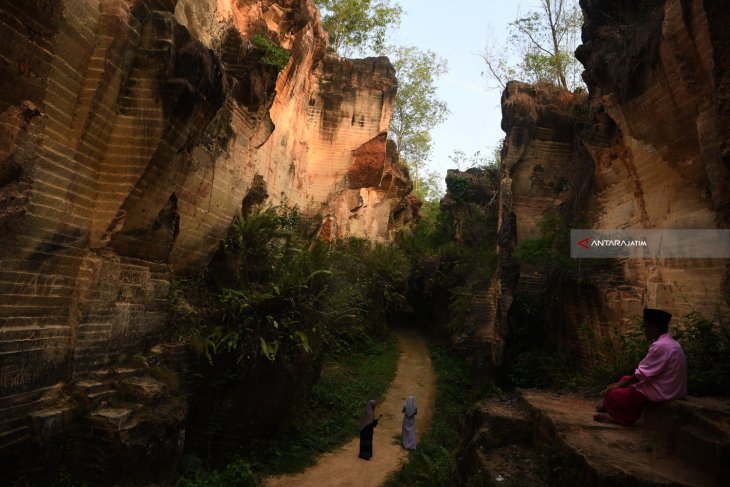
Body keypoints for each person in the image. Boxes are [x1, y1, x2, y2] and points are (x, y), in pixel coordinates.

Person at [594, 308, 687, 425]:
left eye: (647, 327)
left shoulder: (661, 346)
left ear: (655, 328)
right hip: (672, 388)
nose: (645, 331)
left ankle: (619, 417)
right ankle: (607, 405)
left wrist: (617, 385)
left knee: (613, 393)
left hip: (665, 391)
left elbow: (641, 374)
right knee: (625, 379)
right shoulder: (671, 343)